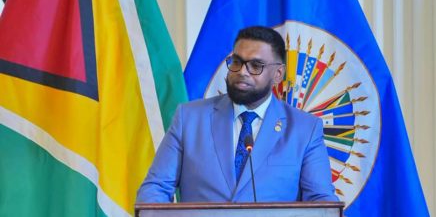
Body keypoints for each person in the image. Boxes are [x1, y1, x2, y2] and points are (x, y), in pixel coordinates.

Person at [137, 26, 338, 203]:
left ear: (278, 74)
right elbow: (154, 189)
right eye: (237, 62)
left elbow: (322, 202)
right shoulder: (189, 119)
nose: (242, 72)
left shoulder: (305, 129)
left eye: (255, 66)